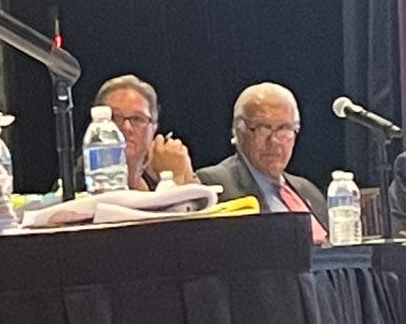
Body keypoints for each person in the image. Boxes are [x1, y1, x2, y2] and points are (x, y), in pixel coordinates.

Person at [196, 82, 327, 240]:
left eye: (284, 128)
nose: (274, 141)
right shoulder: (215, 184)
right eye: (262, 128)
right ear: (238, 131)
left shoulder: (307, 190)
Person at [94, 74, 197, 190]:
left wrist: (186, 176)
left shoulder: (157, 172)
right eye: (115, 118)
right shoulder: (79, 183)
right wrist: (175, 178)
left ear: (153, 129)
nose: (126, 127)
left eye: (137, 119)